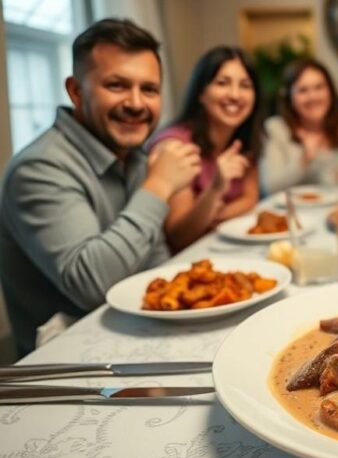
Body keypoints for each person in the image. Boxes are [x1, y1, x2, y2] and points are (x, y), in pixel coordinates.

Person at [0, 18, 201, 357]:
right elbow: (91, 286)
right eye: (117, 85)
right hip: (67, 367)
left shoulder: (134, 158)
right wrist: (160, 185)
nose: (136, 103)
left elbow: (156, 271)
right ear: (76, 91)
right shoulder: (38, 168)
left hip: (140, 342)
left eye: (149, 89)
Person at [148, 46, 261, 252]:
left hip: (225, 250)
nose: (235, 95)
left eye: (245, 85)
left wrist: (210, 216)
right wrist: (215, 190)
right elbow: (179, 236)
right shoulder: (176, 147)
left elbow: (250, 198)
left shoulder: (244, 139)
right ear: (200, 92)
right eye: (222, 83)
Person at [260, 58, 338, 195]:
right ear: (289, 96)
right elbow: (270, 188)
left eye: (319, 87)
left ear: (330, 91)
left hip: (334, 211)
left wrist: (319, 163)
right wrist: (303, 161)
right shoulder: (275, 129)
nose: (313, 96)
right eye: (303, 90)